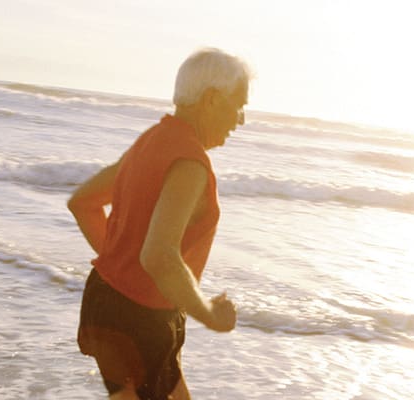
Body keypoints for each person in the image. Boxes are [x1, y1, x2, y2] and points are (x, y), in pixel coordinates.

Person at [68, 48, 251, 399]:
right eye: (239, 105)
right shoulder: (190, 164)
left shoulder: (150, 141)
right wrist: (210, 314)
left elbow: (83, 203)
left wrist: (121, 262)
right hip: (140, 319)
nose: (240, 119)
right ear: (211, 99)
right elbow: (159, 257)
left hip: (107, 301)